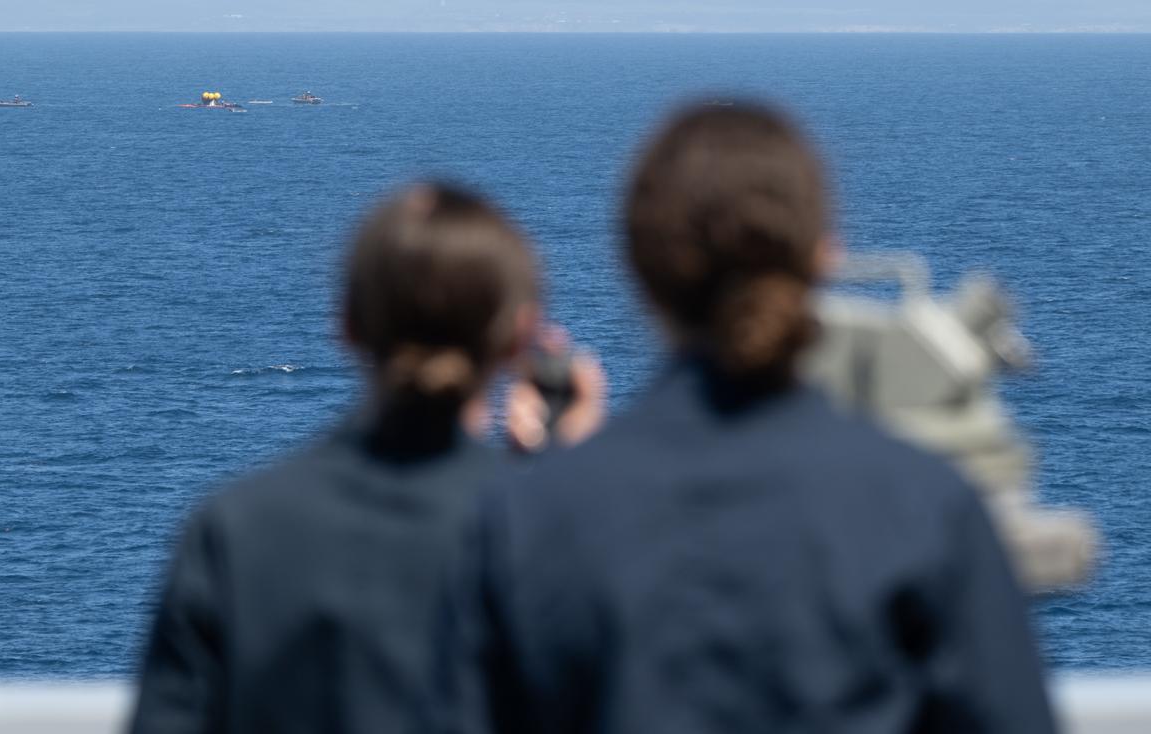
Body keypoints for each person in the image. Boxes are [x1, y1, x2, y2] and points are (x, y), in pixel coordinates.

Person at [439, 103, 1057, 733]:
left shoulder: (528, 522)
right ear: (824, 256)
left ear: (638, 268)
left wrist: (552, 467)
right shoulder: (926, 509)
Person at [129, 183, 602, 733]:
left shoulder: (232, 531)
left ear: (347, 323)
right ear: (519, 337)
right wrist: (560, 479)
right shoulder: (550, 539)